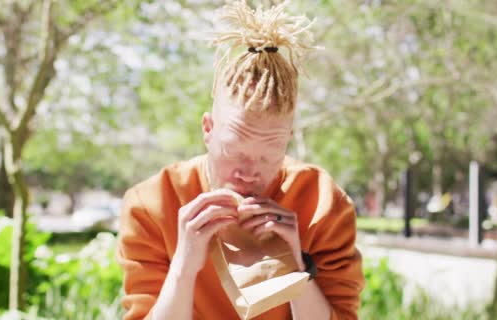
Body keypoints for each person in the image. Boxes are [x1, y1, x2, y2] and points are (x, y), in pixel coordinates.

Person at [116, 1, 364, 319]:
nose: (249, 173)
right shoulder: (151, 205)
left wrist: (297, 268)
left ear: (287, 142)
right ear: (208, 129)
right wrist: (184, 265)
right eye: (234, 152)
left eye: (270, 156)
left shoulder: (322, 203)